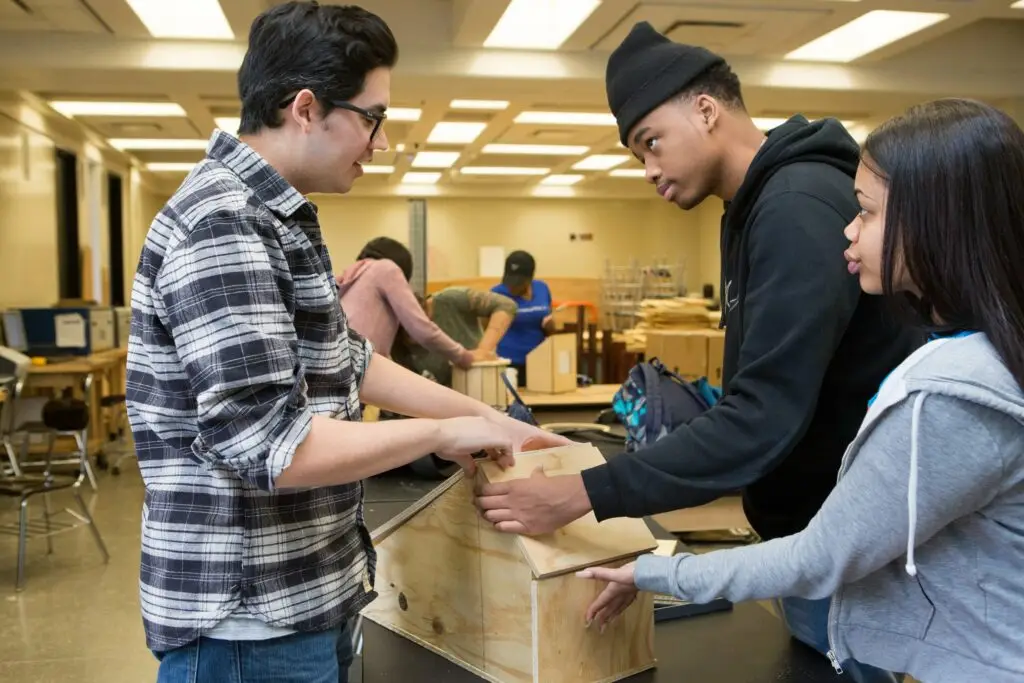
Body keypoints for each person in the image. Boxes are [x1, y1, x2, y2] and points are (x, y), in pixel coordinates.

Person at [125, 4, 567, 682]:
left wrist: (492, 419)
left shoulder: (282, 219)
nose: (380, 142)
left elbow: (351, 363)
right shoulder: (223, 227)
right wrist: (437, 432)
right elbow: (277, 445)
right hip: (249, 618)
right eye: (373, 117)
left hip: (304, 594)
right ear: (306, 108)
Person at [474, 21, 917, 680]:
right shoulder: (751, 207)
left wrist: (587, 491)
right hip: (811, 539)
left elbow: (761, 418)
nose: (649, 170)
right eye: (636, 155)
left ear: (706, 110)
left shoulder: (794, 207)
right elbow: (759, 397)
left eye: (651, 143)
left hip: (846, 550)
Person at [576, 98, 1024, 683]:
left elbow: (819, 558)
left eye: (865, 212)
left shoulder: (950, 392)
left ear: (935, 223)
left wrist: (654, 573)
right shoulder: (983, 354)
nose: (848, 229)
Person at [337, 236, 486, 369]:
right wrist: (464, 357)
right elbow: (422, 330)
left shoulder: (349, 279)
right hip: (353, 368)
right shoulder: (386, 268)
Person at [392, 286, 517, 387]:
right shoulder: (394, 339)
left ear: (426, 310)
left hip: (479, 389)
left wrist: (483, 351)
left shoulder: (451, 300)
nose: (414, 339)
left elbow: (506, 305)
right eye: (406, 333)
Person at [491, 250, 555, 384]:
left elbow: (548, 315)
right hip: (509, 363)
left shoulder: (542, 288)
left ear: (530, 278)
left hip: (538, 362)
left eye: (518, 282)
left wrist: (550, 325)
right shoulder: (496, 294)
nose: (512, 287)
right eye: (510, 281)